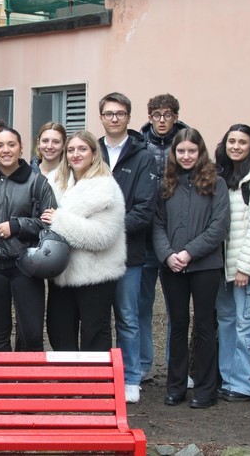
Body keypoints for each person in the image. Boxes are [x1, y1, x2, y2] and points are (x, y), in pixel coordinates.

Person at [153, 128, 229, 409]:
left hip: (205, 266)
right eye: (181, 151)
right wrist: (168, 255)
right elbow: (157, 224)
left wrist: (189, 252)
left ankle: (206, 389)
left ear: (200, 152)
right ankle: (176, 386)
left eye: (192, 151)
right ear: (174, 153)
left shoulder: (216, 183)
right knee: (177, 324)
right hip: (172, 266)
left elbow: (219, 226)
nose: (186, 156)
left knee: (204, 326)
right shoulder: (166, 184)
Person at [98, 92, 158, 403]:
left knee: (127, 317)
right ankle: (102, 375)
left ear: (129, 117)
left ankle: (131, 377)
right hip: (93, 252)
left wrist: (107, 229)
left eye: (120, 113)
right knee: (96, 318)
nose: (114, 118)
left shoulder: (143, 156)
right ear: (101, 117)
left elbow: (145, 209)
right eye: (109, 113)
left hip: (128, 253)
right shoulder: (92, 150)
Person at [43, 130, 126, 352]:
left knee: (94, 335)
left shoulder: (106, 187)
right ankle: (68, 375)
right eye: (70, 150)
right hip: (61, 272)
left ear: (94, 153)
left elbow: (103, 236)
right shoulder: (54, 182)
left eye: (82, 149)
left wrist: (59, 220)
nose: (75, 154)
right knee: (59, 332)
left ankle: (94, 377)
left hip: (95, 274)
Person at [0, 127, 55, 352]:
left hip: (26, 266)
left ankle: (31, 374)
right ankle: (2, 375)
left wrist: (17, 225)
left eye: (11, 145)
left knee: (31, 333)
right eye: (0, 145)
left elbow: (50, 223)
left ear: (21, 149)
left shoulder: (38, 182)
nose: (6, 150)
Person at [214, 124, 250, 402]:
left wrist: (245, 268)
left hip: (247, 270)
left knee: (247, 326)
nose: (236, 146)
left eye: (242, 142)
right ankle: (230, 379)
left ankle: (248, 384)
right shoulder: (224, 175)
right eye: (232, 141)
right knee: (226, 322)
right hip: (224, 267)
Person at [138, 93, 189, 382]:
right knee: (141, 304)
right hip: (145, 237)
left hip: (175, 236)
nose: (161, 120)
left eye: (167, 115)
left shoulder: (186, 143)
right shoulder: (139, 143)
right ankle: (144, 364)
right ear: (149, 117)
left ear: (175, 116)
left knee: (177, 308)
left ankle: (176, 366)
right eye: (156, 115)